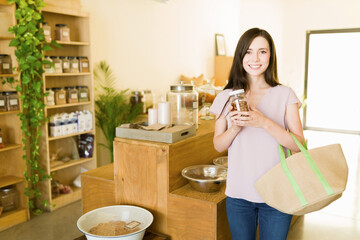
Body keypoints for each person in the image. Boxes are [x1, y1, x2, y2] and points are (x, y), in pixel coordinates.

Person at [209, 28, 304, 240]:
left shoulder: (285, 94)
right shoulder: (226, 97)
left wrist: (264, 122)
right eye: (249, 52)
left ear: (271, 56)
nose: (255, 58)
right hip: (238, 195)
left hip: (278, 193)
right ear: (240, 56)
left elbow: (299, 145)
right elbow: (218, 145)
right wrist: (234, 128)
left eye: (262, 51)